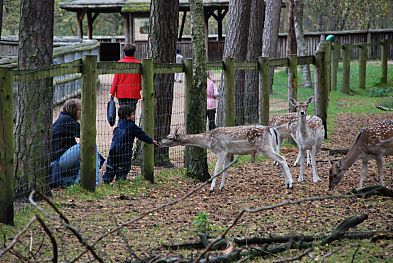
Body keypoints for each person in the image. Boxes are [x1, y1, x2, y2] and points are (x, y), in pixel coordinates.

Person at [50, 99, 102, 188]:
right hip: (57, 162)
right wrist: (85, 119)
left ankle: (78, 181)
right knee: (89, 146)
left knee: (88, 154)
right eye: (81, 110)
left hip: (59, 160)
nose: (82, 112)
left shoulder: (65, 119)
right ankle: (94, 181)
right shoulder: (66, 120)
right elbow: (88, 135)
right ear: (74, 110)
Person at [103, 105, 159, 183]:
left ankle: (106, 181)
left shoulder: (119, 125)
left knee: (111, 167)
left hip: (113, 150)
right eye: (132, 114)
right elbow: (141, 135)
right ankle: (120, 181)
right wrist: (151, 141)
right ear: (127, 116)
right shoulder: (132, 126)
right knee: (123, 168)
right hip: (124, 152)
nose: (134, 116)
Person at [110, 43, 142, 109]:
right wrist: (139, 88)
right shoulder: (138, 64)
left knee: (122, 112)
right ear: (134, 52)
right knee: (131, 113)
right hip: (133, 92)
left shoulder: (119, 63)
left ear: (124, 52)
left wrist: (112, 92)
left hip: (122, 93)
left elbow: (115, 80)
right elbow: (140, 80)